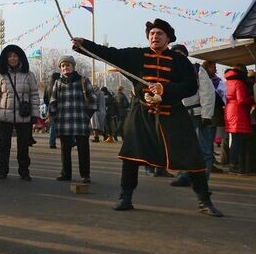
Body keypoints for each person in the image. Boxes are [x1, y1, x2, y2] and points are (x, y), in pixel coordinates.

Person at [73, 19, 223, 217]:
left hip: (173, 114)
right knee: (130, 155)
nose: (155, 36)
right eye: (152, 33)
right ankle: (125, 197)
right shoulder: (137, 56)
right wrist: (84, 45)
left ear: (168, 38)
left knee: (192, 156)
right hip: (142, 113)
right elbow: (111, 54)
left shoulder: (180, 61)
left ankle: (204, 201)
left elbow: (190, 87)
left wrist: (165, 88)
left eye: (159, 33)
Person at [168, 45, 216, 191]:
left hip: (196, 113)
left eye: (180, 54)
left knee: (203, 148)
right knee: (182, 146)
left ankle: (203, 178)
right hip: (177, 112)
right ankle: (183, 175)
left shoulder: (197, 69)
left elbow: (207, 92)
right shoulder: (168, 71)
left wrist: (207, 115)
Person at [0, 44, 41, 181]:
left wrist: (35, 116)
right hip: (4, 116)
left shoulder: (29, 75)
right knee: (4, 145)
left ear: (20, 58)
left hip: (23, 116)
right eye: (9, 56)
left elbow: (34, 95)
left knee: (23, 145)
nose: (12, 58)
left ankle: (24, 171)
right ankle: (3, 170)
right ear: (6, 59)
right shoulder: (2, 76)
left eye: (15, 56)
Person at [49, 55, 94, 184]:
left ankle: (85, 175)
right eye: (63, 65)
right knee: (65, 149)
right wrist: (53, 116)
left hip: (80, 121)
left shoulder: (83, 81)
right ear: (60, 68)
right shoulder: (57, 83)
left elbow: (93, 100)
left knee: (83, 149)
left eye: (68, 65)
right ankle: (66, 173)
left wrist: (87, 115)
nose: (65, 67)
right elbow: (53, 101)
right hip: (64, 121)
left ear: (74, 67)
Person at [224, 66, 255, 174]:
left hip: (229, 111)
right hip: (238, 113)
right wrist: (252, 99)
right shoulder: (238, 83)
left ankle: (233, 164)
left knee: (234, 140)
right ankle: (234, 165)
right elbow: (241, 100)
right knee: (238, 142)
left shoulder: (227, 82)